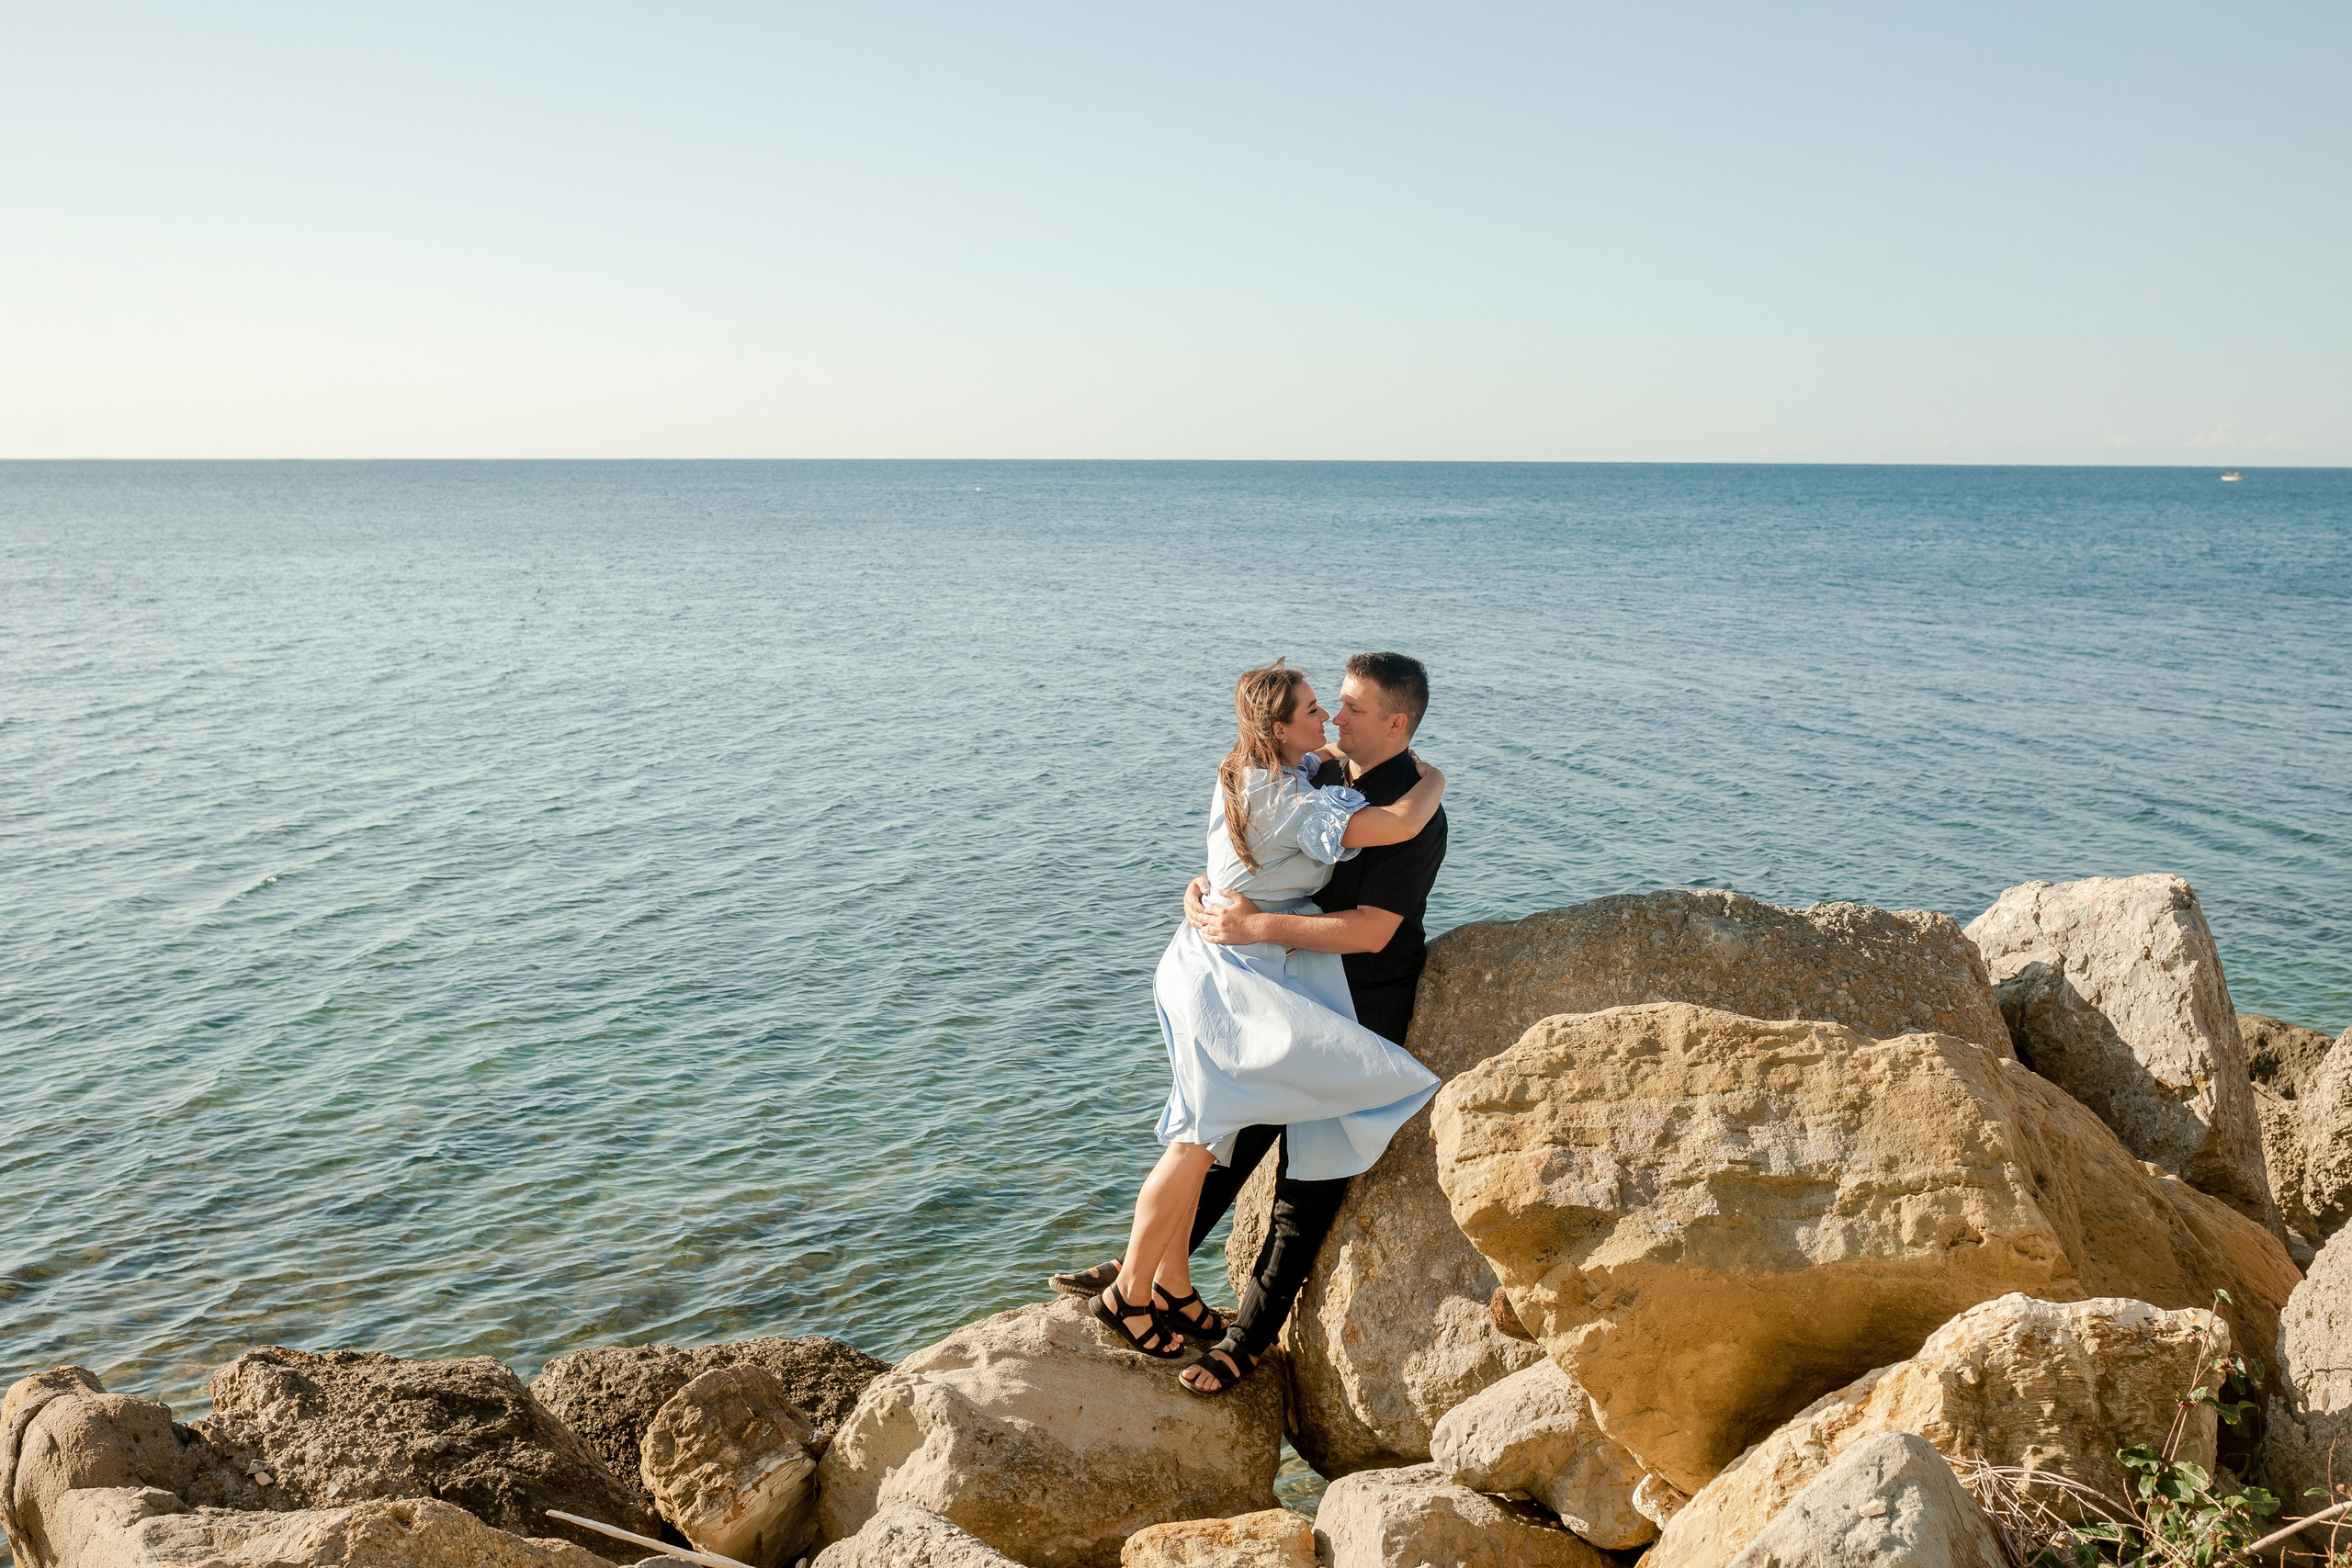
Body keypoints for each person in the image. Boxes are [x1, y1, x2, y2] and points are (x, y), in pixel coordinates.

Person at [1054, 652, 1449, 1396]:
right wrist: (1219, 896)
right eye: (1324, 706)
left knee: (1304, 1177)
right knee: (1219, 1140)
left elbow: (1368, 932)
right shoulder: (1320, 778)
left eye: (1351, 708)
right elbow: (1277, 829)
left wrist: (1243, 911)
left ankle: (1236, 1326)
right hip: (1273, 977)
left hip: (1351, 997)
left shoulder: (1383, 805)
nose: (1333, 720)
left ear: (1395, 723)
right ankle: (1149, 1273)